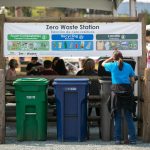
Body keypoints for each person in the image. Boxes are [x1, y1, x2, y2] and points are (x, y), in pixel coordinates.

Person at [102, 50, 136, 144]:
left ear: (114, 58)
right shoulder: (128, 66)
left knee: (117, 117)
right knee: (128, 116)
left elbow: (103, 64)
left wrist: (110, 59)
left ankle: (117, 139)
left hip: (116, 93)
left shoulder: (112, 65)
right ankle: (132, 139)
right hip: (127, 92)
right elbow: (133, 79)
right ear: (122, 57)